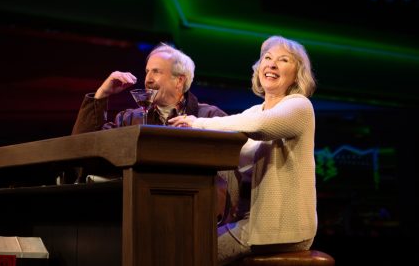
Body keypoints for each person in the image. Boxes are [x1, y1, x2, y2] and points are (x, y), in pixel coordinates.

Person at [169, 35, 317, 265]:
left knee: (193, 252)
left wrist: (198, 122)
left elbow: (260, 127)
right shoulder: (254, 111)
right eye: (267, 58)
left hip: (282, 228)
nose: (272, 64)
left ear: (297, 73)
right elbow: (231, 139)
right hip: (252, 223)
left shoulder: (299, 106)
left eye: (283, 60)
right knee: (184, 240)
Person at [71, 42, 233, 223]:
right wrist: (102, 94)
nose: (147, 79)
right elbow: (83, 148)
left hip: (191, 217)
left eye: (156, 71)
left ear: (179, 80)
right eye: (147, 71)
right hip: (137, 216)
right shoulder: (130, 119)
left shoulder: (209, 116)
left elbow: (231, 175)